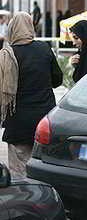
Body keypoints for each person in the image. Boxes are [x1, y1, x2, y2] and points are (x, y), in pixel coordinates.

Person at [0, 12, 62, 178]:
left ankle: (23, 203)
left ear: (12, 28)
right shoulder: (44, 48)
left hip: (18, 121)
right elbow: (57, 80)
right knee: (41, 170)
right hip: (44, 120)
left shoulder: (8, 54)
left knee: (18, 173)